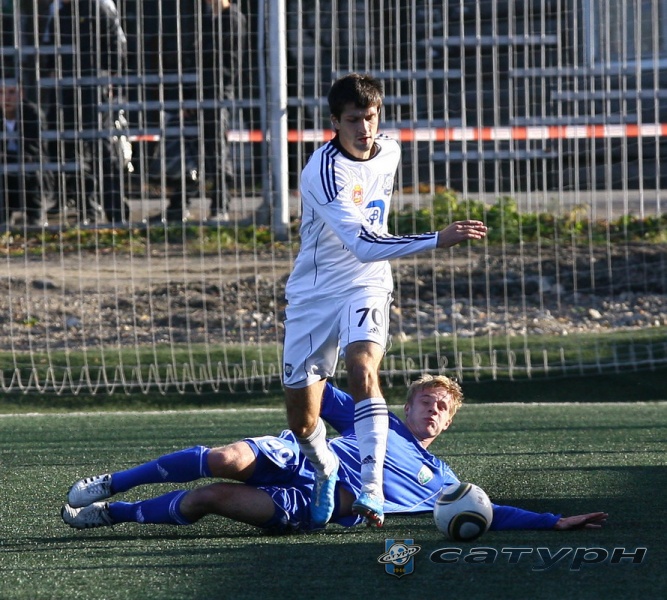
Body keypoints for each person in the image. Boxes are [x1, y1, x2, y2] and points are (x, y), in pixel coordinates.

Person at [282, 73, 488, 528]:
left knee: (362, 369)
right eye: (353, 119)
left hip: (367, 283)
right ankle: (325, 469)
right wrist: (436, 238)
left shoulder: (390, 150)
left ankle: (371, 488)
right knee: (302, 420)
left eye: (371, 117)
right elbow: (363, 243)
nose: (364, 128)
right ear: (335, 122)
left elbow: (369, 255)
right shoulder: (323, 172)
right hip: (315, 294)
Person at [61, 375, 607, 534]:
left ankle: (113, 514)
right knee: (225, 458)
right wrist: (310, 350)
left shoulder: (443, 479)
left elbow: (487, 511)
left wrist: (552, 522)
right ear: (408, 406)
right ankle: (115, 482)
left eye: (443, 407)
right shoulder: (377, 419)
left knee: (210, 498)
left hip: (319, 507)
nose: (435, 409)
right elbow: (318, 389)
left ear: (448, 423)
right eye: (427, 400)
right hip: (305, 459)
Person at [155, 0, 245, 223]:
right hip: (198, 95)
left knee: (215, 153)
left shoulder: (231, 19)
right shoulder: (207, 18)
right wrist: (190, 96)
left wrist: (206, 96)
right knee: (188, 153)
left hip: (214, 97)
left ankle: (220, 208)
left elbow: (228, 65)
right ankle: (178, 207)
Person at [42, 0, 128, 224]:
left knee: (101, 148)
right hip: (67, 88)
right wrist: (51, 70)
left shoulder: (99, 7)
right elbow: (50, 45)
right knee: (72, 149)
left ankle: (116, 212)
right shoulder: (60, 11)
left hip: (95, 87)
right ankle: (87, 209)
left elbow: (115, 41)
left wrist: (111, 75)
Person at [0, 83, 53, 226]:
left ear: (21, 94)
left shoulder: (32, 113)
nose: (6, 98)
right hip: (5, 171)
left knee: (32, 170)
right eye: (1, 93)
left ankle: (36, 217)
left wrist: (5, 156)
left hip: (29, 171)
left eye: (11, 92)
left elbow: (32, 150)